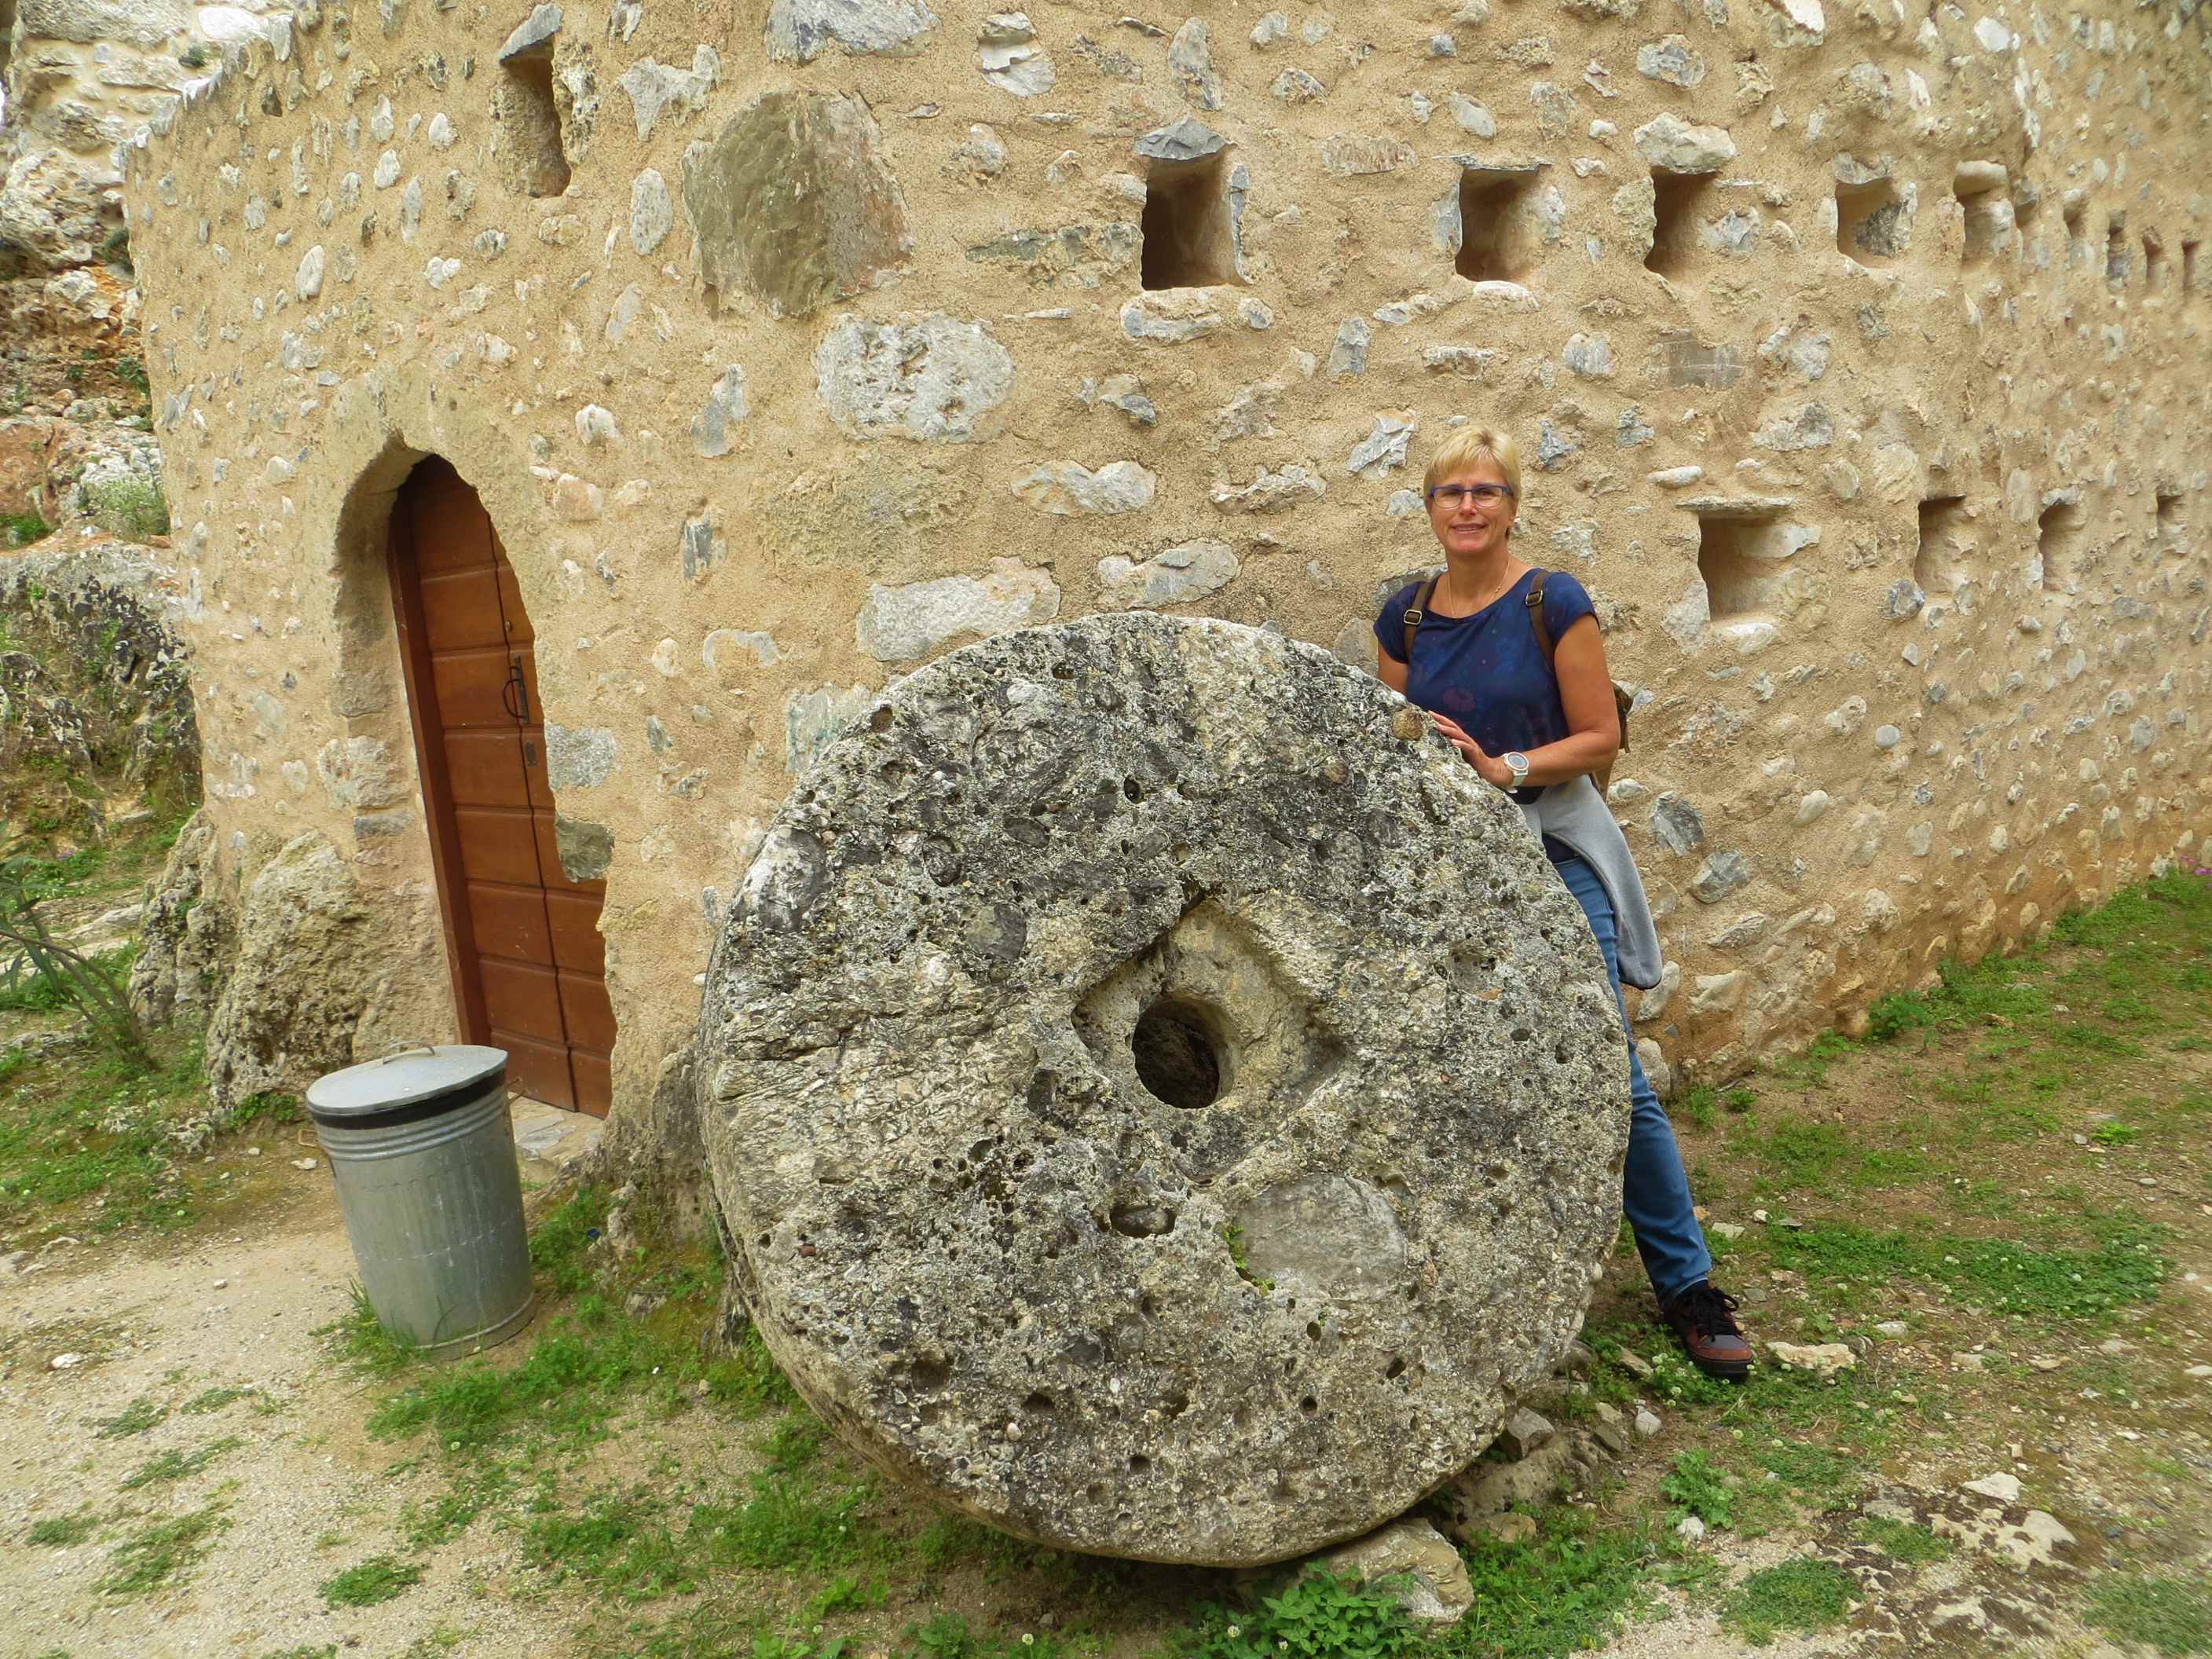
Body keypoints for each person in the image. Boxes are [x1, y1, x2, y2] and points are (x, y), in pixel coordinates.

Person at [1372, 423, 1753, 1380]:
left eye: (1485, 491)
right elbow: (1392, 742)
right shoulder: (1404, 619)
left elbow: (1596, 738)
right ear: (1429, 508)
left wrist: (1500, 767)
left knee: (1609, 1068)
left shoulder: (1552, 602)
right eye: (1450, 492)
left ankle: (1687, 1285)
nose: (1467, 507)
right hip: (1455, 863)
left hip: (1552, 842)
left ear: (1512, 507)